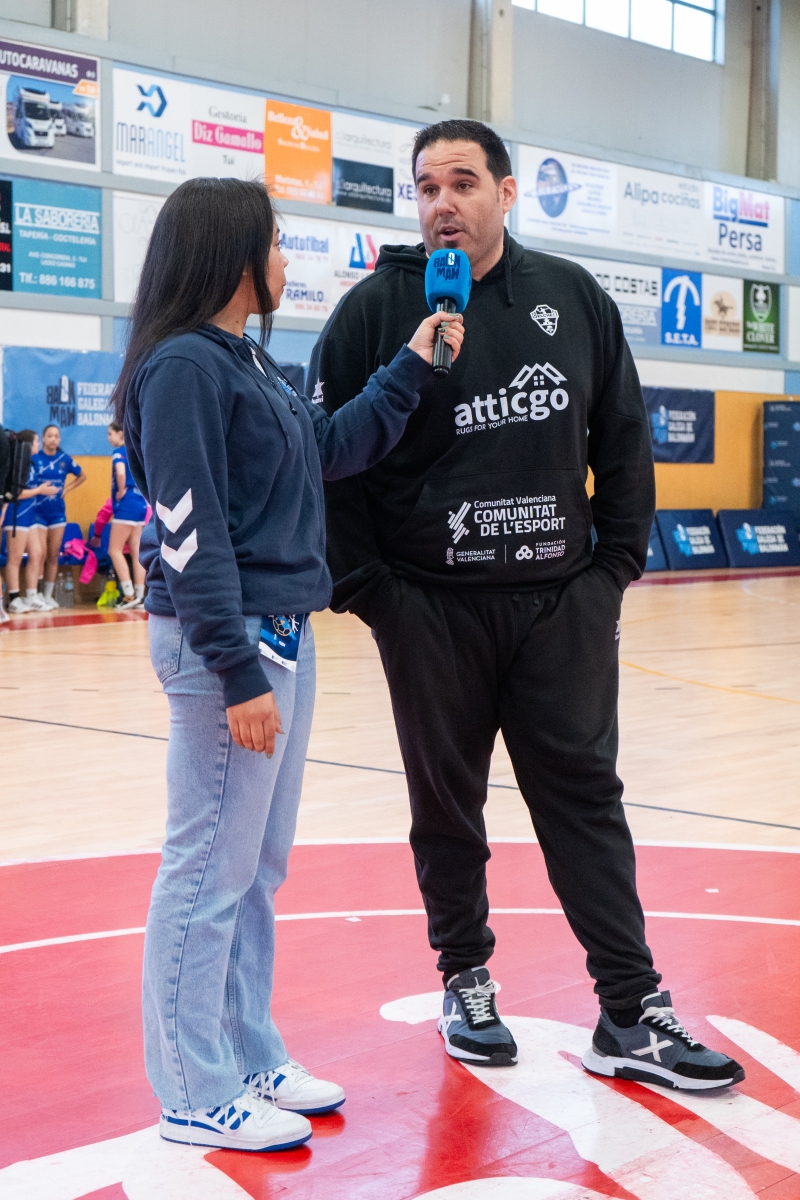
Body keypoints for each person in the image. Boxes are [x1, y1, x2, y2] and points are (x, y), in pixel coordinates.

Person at [310, 118, 744, 1091]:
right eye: (426, 187)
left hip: (558, 607)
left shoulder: (573, 297)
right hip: (430, 608)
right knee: (446, 807)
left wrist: (609, 571)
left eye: (462, 183)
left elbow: (622, 438)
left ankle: (629, 1011)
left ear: (506, 194)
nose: (441, 204)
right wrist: (374, 594)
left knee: (586, 802)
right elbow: (330, 465)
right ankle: (464, 980)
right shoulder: (373, 311)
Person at [115, 176, 463, 1154]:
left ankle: (246, 1051)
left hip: (279, 632)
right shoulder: (182, 367)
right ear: (232, 254)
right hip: (225, 642)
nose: (284, 258)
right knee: (206, 868)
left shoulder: (249, 361)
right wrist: (235, 673)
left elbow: (328, 447)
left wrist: (411, 364)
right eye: (274, 242)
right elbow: (188, 531)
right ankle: (193, 1088)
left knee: (253, 867)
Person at [2, 430, 59, 614]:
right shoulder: (18, 464)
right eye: (35, 442)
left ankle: (32, 596)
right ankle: (14, 598)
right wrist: (39, 490)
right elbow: (15, 493)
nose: (38, 445)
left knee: (37, 553)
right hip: (17, 514)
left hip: (31, 515)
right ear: (27, 444)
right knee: (15, 558)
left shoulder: (32, 463)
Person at [32, 423, 85, 609]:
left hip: (57, 513)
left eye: (56, 436)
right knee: (39, 554)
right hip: (38, 513)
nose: (53, 439)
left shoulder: (64, 459)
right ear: (43, 438)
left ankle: (47, 595)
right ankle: (36, 594)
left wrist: (67, 489)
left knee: (53, 555)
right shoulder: (35, 459)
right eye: (50, 436)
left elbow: (82, 476)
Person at [107, 421, 148, 609]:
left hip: (126, 504)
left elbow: (120, 473)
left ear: (120, 433)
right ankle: (140, 595)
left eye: (110, 433)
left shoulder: (118, 452)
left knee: (114, 550)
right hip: (140, 502)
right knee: (136, 551)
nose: (109, 438)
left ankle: (129, 595)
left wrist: (120, 489)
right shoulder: (136, 451)